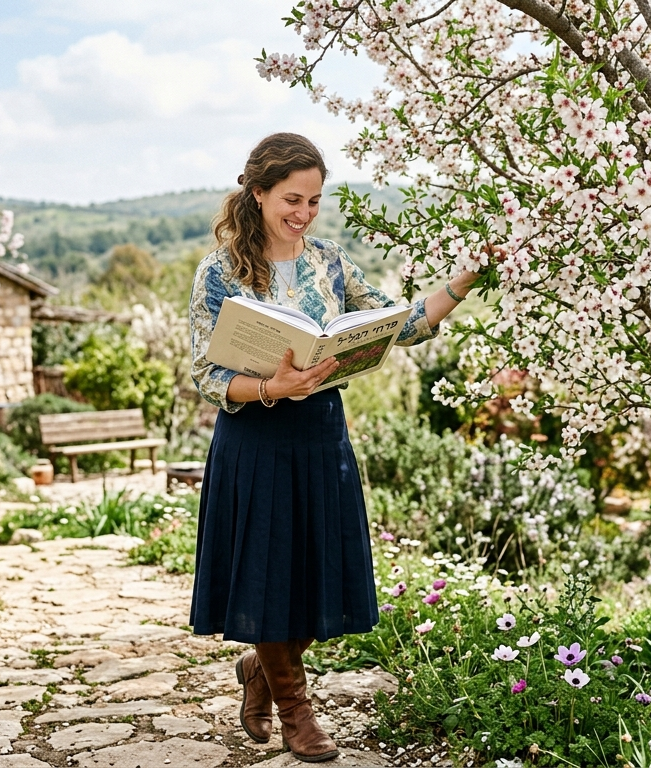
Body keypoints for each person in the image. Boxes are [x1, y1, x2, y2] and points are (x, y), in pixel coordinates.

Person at [187, 132, 487, 763]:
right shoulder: (219, 272)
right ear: (258, 192)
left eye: (315, 202)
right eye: (292, 199)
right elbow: (206, 375)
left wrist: (464, 280)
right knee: (267, 574)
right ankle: (296, 710)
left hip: (323, 432)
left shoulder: (329, 262)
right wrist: (273, 384)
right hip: (256, 436)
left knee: (315, 572)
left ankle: (261, 668)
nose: (304, 214)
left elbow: (400, 325)